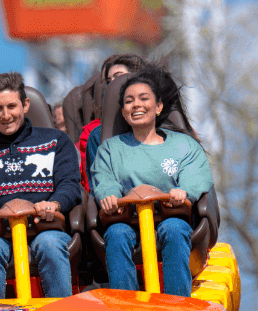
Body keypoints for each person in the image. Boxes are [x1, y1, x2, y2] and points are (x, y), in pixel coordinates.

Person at [0, 71, 81, 299]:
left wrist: (55, 203)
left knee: (50, 245)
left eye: (12, 107)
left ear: (25, 105)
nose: (6, 115)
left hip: (45, 225)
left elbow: (70, 184)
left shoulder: (56, 141)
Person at [91, 67, 213, 297]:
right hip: (128, 221)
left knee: (175, 229)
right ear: (123, 111)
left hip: (170, 217)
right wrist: (109, 194)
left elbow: (196, 176)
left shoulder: (183, 146)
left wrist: (184, 192)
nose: (136, 105)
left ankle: (177, 303)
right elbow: (103, 177)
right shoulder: (110, 148)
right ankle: (127, 305)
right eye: (129, 101)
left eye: (143, 99)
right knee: (116, 234)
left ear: (158, 107)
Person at [80, 53, 147, 190]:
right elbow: (94, 185)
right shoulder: (96, 134)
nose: (113, 84)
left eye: (119, 77)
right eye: (109, 81)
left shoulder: (170, 132)